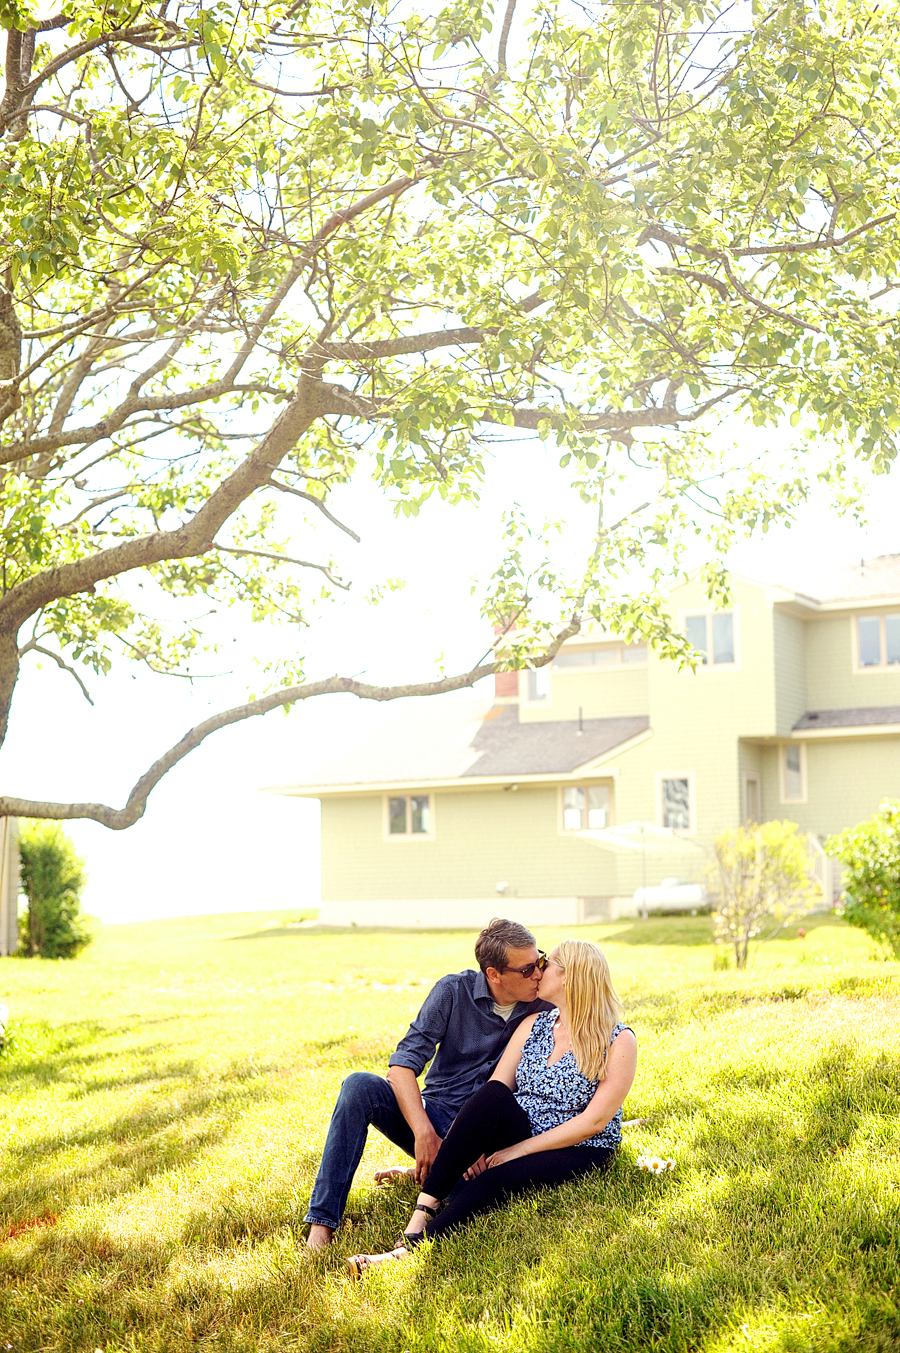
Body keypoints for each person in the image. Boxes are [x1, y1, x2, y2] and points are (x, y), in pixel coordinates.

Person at [347, 939, 636, 1274]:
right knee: (494, 1096)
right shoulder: (534, 1026)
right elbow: (491, 1093)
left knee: (494, 1178)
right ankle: (422, 1211)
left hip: (577, 1146)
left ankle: (407, 1252)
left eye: (547, 963)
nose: (538, 970)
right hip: (521, 1128)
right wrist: (472, 1147)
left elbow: (594, 1122)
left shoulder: (618, 1040)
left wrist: (518, 1151)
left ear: (569, 977)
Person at [304, 918, 552, 1250]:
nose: (538, 973)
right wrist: (423, 1132)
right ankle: (322, 1224)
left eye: (540, 961)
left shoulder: (546, 1005)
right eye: (526, 969)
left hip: (487, 1136)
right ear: (494, 974)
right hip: (434, 1115)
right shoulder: (453, 991)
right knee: (358, 1085)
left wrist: (476, 1143)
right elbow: (402, 1066)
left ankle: (422, 1172)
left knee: (475, 1198)